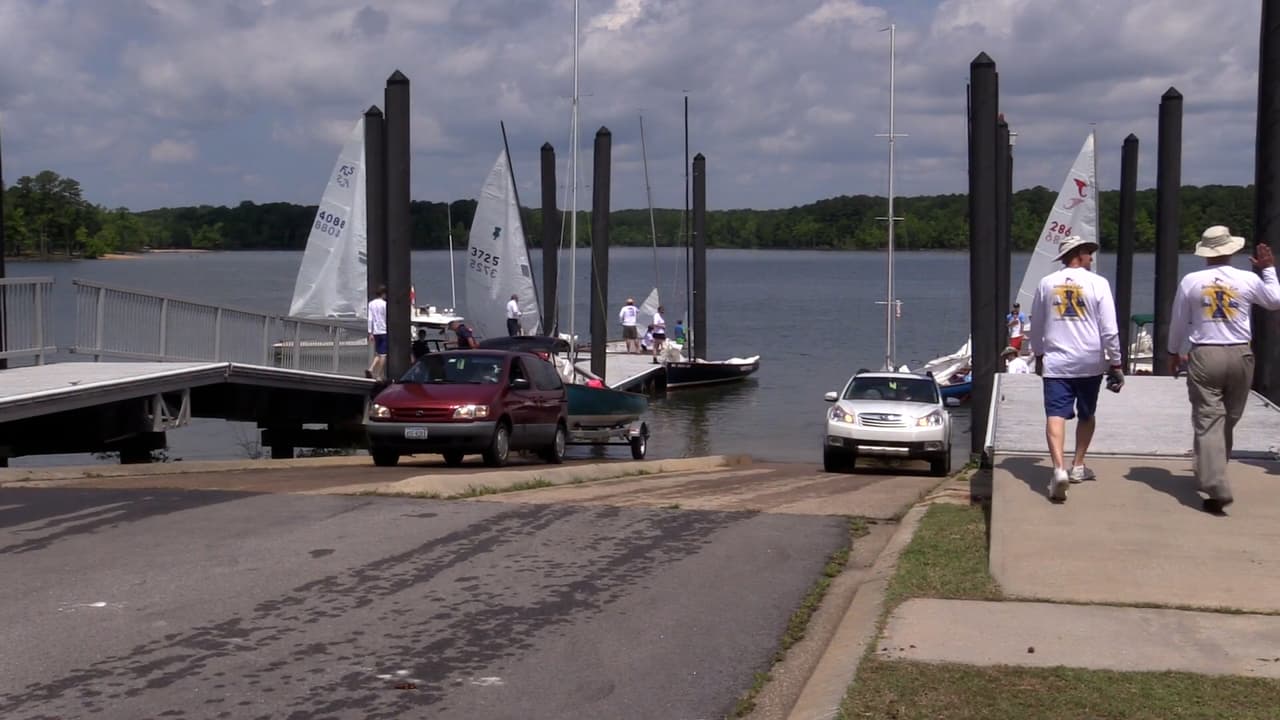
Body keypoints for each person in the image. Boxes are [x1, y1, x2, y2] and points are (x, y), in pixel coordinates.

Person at [1168, 226, 1280, 514]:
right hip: (1241, 352)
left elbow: (1179, 320)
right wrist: (1268, 270)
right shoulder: (1247, 278)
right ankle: (1214, 470)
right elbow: (1274, 301)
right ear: (1231, 250)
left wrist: (1173, 350)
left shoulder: (1191, 280)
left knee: (1208, 418)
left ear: (1205, 252)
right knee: (1229, 417)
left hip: (1206, 353)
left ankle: (1214, 479)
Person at [1027, 235, 1123, 503]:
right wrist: (1115, 362)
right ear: (1078, 254)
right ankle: (1078, 465)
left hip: (1057, 361)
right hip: (1090, 361)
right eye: (1089, 253)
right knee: (1087, 414)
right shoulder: (1098, 283)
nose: (1091, 258)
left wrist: (1038, 354)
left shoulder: (1046, 283)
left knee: (1055, 414)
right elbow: (1110, 329)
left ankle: (1058, 468)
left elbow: (1036, 325)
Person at [366, 285, 388, 380]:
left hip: (375, 331)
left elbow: (370, 319)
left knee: (378, 352)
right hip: (384, 330)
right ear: (383, 293)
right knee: (383, 354)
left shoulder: (371, 304)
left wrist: (370, 332)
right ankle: (378, 375)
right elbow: (387, 318)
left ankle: (371, 369)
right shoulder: (385, 304)